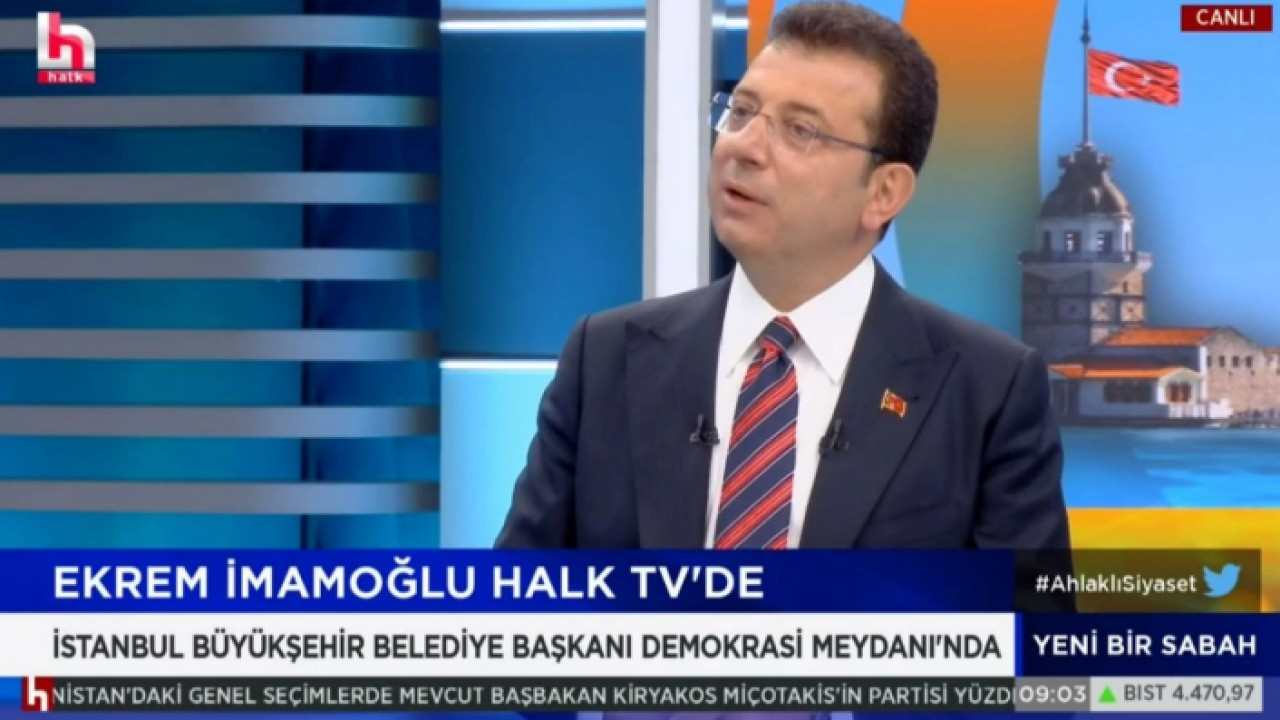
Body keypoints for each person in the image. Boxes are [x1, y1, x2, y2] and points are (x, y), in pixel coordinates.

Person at [495, 1, 1072, 559]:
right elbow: (510, 606)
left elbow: (1033, 626)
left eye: (799, 130)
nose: (743, 146)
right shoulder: (606, 360)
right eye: (741, 111)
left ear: (883, 192)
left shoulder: (987, 390)